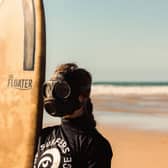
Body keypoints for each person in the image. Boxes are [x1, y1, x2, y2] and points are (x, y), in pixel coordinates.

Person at [33, 63, 113, 168]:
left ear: (82, 97)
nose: (54, 97)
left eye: (62, 91)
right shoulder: (43, 136)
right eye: (50, 90)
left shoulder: (96, 145)